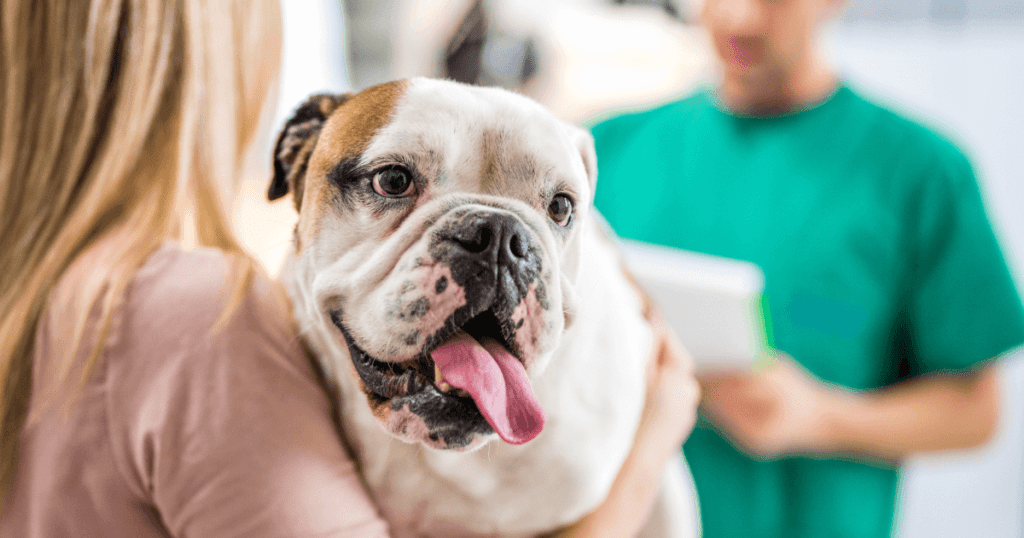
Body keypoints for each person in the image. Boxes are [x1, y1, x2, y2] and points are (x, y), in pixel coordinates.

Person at [0, 1, 698, 537]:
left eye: (556, 210)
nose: (493, 252)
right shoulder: (197, 314)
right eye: (395, 182)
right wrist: (651, 451)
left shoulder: (37, 285)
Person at [589, 0, 1024, 537]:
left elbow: (976, 412)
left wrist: (823, 417)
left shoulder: (919, 174)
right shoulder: (604, 154)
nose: (738, 18)